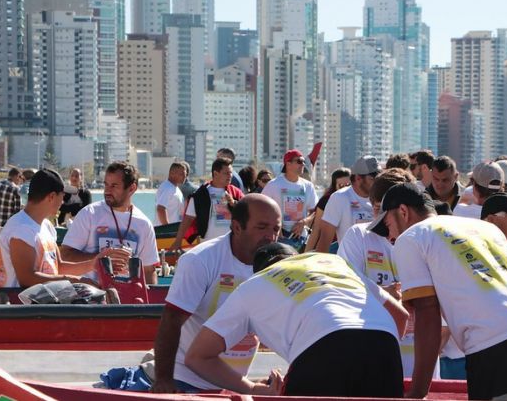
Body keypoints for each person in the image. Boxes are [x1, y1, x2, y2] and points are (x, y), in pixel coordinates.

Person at [369, 183, 507, 400]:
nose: (389, 237)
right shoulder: (484, 228)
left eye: (387, 225)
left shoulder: (410, 238)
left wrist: (418, 392)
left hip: (498, 342)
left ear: (403, 212)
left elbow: (427, 314)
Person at [185, 243, 409, 397]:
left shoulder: (252, 285)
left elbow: (197, 357)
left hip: (322, 348)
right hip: (384, 344)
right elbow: (401, 316)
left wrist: (252, 388)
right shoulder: (333, 261)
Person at [151, 195, 282, 393]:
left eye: (276, 229)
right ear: (237, 227)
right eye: (261, 227)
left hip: (235, 385)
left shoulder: (276, 264)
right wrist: (163, 380)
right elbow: (171, 319)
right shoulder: (200, 260)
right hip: (187, 381)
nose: (270, 237)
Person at [337, 168, 425, 378]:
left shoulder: (425, 239)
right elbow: (342, 289)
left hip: (417, 361)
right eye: (377, 209)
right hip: (372, 358)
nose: (382, 220)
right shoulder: (358, 236)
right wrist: (383, 294)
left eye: (387, 211)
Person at [0, 169, 99, 287]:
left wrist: (93, 265)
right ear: (51, 196)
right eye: (62, 195)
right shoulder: (20, 229)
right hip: (21, 304)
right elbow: (27, 279)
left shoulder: (46, 225)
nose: (63, 201)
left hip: (45, 303)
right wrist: (75, 281)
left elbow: (58, 267)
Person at [60, 162, 159, 284]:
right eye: (106, 185)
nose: (107, 191)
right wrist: (100, 260)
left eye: (114, 186)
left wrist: (147, 301)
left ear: (132, 188)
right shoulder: (89, 214)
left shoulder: (144, 224)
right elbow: (65, 256)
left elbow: (148, 271)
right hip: (91, 297)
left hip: (127, 300)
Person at [170, 158, 244, 249]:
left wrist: (234, 203)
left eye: (231, 173)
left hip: (231, 245)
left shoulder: (235, 193)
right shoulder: (200, 195)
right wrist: (178, 241)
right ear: (216, 174)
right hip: (208, 245)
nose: (230, 176)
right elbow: (188, 219)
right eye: (226, 173)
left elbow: (246, 212)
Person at [316, 156, 379, 253]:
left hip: (377, 263)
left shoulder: (380, 197)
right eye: (373, 178)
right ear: (358, 178)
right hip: (349, 264)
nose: (377, 182)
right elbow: (324, 240)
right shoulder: (339, 198)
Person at [262, 149, 318, 246]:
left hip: (300, 237)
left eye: (304, 162)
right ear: (288, 164)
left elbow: (315, 211)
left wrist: (304, 222)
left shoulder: (308, 186)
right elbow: (261, 208)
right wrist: (274, 225)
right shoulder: (274, 184)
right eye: (299, 161)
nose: (303, 164)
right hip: (279, 237)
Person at [304, 167, 351, 252]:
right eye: (341, 186)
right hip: (330, 247)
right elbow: (317, 228)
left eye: (348, 185)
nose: (345, 189)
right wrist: (305, 255)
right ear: (334, 185)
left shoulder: (359, 200)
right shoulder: (326, 200)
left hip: (351, 246)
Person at [0, 166, 24, 235]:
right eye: (21, 178)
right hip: (6, 228)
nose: (20, 181)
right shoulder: (16, 189)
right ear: (17, 176)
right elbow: (17, 213)